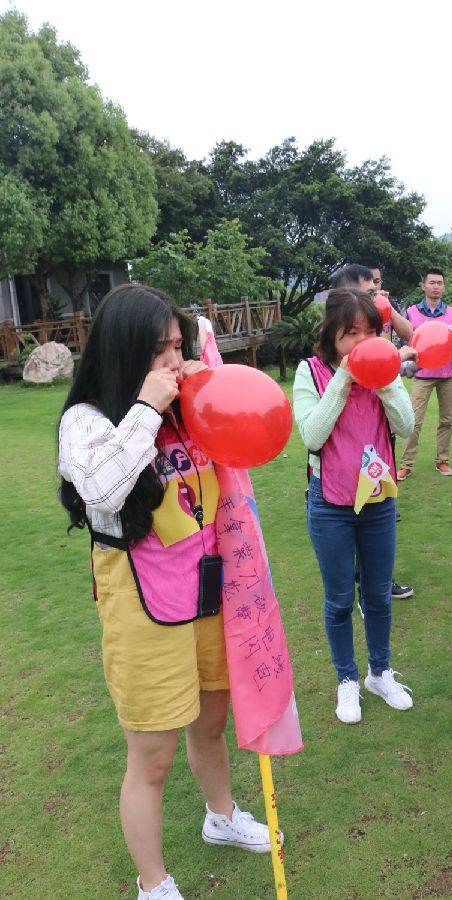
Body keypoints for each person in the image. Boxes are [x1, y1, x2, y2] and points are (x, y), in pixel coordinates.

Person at [58, 284, 277, 900]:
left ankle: (221, 817)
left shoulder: (189, 404)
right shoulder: (87, 420)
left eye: (179, 346)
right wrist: (148, 408)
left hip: (209, 590)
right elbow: (103, 489)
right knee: (152, 756)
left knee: (212, 724)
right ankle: (152, 883)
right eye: (160, 349)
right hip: (142, 602)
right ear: (125, 350)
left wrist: (205, 392)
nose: (174, 361)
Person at [293, 287, 415, 724]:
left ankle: (379, 673)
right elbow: (312, 435)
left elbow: (406, 425)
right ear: (332, 335)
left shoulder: (385, 371)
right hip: (330, 504)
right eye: (351, 334)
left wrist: (383, 381)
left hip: (378, 500)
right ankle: (346, 679)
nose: (362, 342)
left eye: (369, 333)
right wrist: (344, 379)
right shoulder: (310, 371)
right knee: (341, 599)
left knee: (378, 595)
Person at [329, 263, 415, 598]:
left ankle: (376, 578)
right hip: (334, 481)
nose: (375, 298)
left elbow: (405, 425)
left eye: (376, 291)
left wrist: (386, 371)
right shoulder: (320, 366)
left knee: (378, 508)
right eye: (369, 292)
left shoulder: (377, 341)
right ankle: (360, 574)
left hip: (377, 457)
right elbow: (314, 436)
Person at [397, 269, 452, 479]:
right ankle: (406, 464)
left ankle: (442, 460)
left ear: (444, 287)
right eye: (432, 282)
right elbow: (405, 343)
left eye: (440, 283)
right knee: (414, 420)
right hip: (422, 375)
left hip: (447, 376)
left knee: (447, 420)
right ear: (423, 286)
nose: (436, 286)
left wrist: (445, 356)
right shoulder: (411, 313)